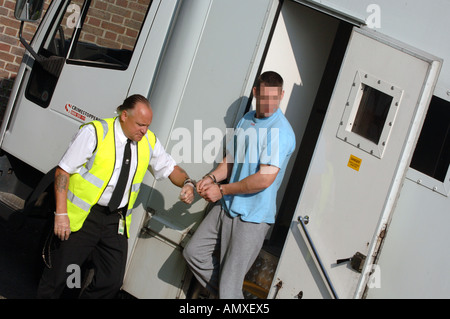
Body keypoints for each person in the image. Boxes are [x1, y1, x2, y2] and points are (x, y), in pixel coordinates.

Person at [37, 94, 195, 298]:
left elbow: (171, 168)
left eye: (147, 125)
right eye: (140, 124)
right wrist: (61, 213)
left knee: (111, 281)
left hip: (115, 221)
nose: (144, 130)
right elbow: (63, 172)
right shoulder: (95, 133)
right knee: (62, 277)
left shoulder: (148, 141)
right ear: (124, 115)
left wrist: (188, 183)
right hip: (84, 217)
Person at [183, 71, 296, 298]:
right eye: (264, 97)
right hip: (226, 208)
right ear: (255, 92)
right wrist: (212, 178)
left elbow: (264, 179)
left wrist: (222, 189)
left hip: (252, 218)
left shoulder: (280, 132)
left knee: (230, 282)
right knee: (193, 252)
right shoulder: (247, 119)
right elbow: (231, 160)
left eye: (274, 98)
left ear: (282, 95)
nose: (269, 104)